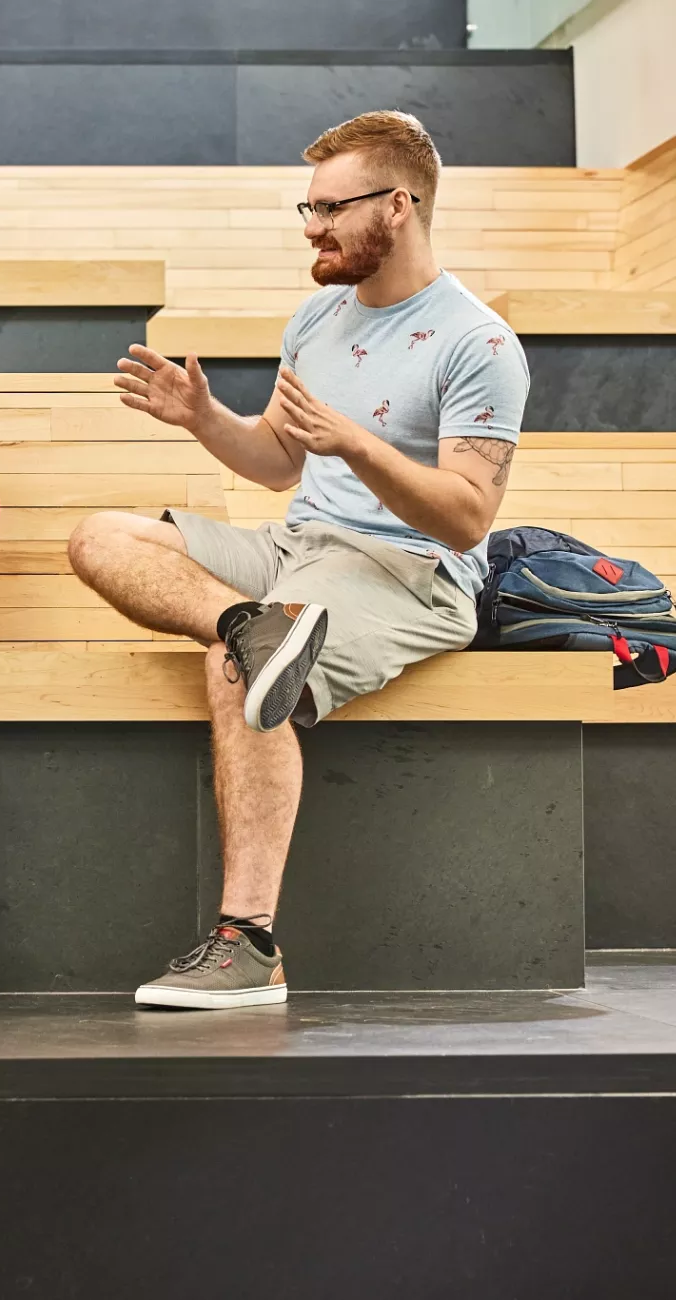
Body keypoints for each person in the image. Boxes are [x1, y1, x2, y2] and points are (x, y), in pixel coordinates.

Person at [69, 111, 529, 1010]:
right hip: (295, 549)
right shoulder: (318, 317)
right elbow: (282, 460)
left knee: (234, 670)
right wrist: (203, 419)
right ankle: (252, 625)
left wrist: (358, 446)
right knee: (100, 535)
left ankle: (249, 946)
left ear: (398, 205)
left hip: (407, 569)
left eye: (329, 208)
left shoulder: (480, 344)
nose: (311, 226)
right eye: (305, 207)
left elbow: (469, 519)